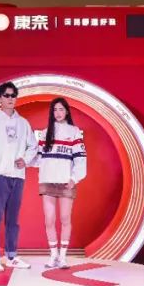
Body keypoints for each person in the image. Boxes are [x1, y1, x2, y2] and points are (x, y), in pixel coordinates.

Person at [0, 82, 37, 272]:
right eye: (7, 95)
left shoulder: (23, 123)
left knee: (13, 219)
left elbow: (33, 146)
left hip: (18, 177)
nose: (11, 99)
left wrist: (25, 160)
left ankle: (11, 256)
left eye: (13, 95)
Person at [33, 98, 87, 269]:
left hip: (65, 182)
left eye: (61, 109)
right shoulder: (45, 133)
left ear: (67, 112)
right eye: (55, 110)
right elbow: (38, 158)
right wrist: (22, 160)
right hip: (47, 180)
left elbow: (80, 158)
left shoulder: (74, 132)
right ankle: (53, 255)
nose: (58, 113)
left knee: (65, 218)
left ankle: (63, 257)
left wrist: (74, 178)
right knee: (49, 220)